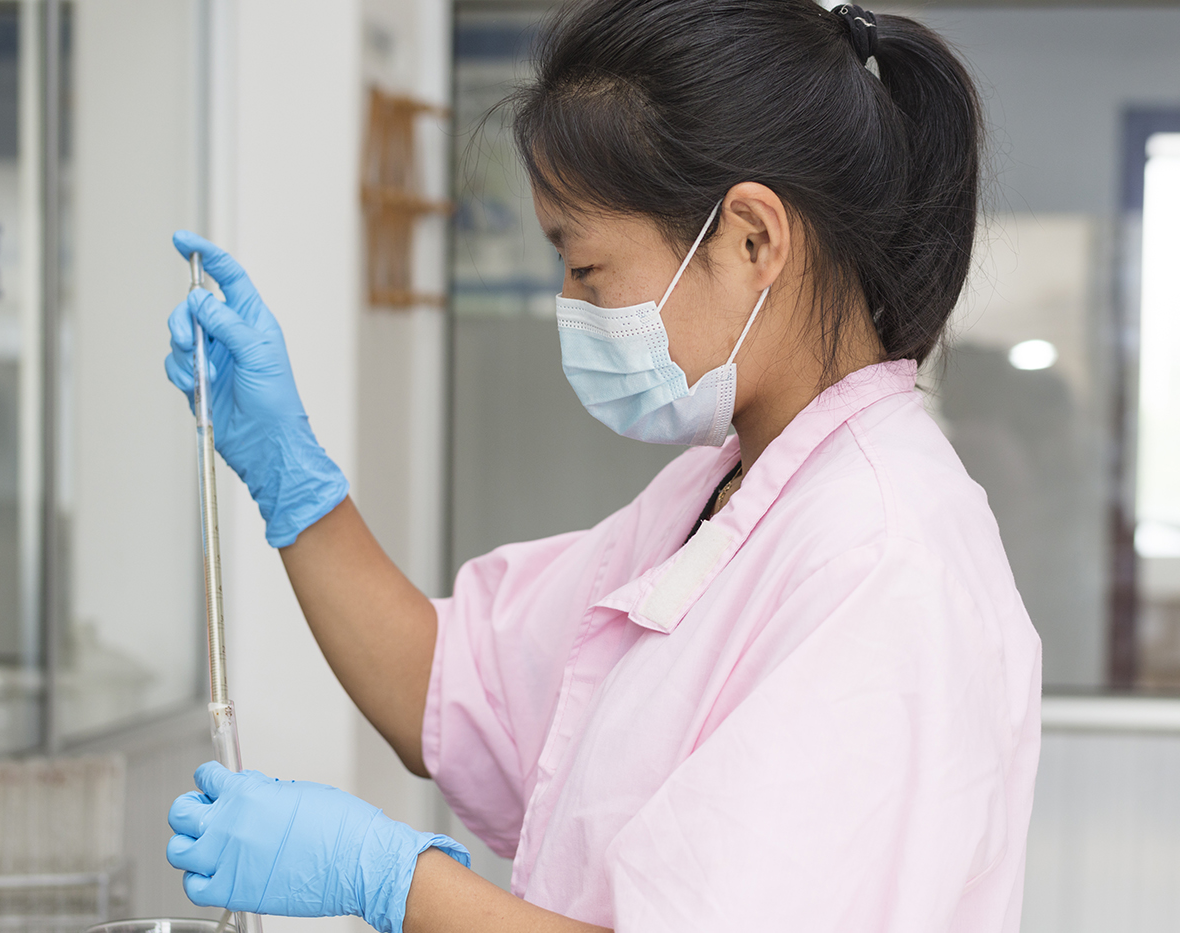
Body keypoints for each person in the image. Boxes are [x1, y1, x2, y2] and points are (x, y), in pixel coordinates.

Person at [161, 1, 1042, 930]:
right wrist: (290, 475)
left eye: (585, 268)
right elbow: (452, 690)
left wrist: (389, 878)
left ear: (753, 239)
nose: (572, 306)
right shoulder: (728, 493)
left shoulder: (881, 558)